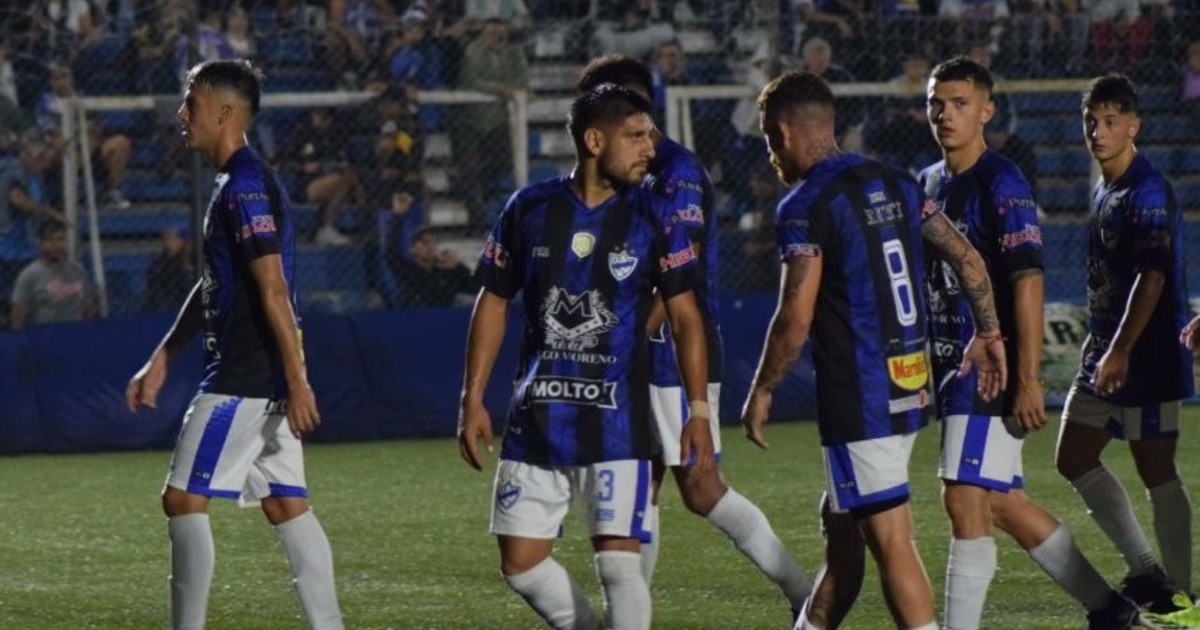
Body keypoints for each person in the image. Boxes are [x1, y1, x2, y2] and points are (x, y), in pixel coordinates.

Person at [740, 70, 1008, 630]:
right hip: (910, 381)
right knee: (843, 529)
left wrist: (763, 387)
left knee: (891, 539)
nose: (770, 154)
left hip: (861, 395)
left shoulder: (804, 204)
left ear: (784, 132)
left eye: (768, 140)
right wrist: (988, 334)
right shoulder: (899, 183)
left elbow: (794, 318)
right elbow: (967, 258)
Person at [456, 83, 715, 630]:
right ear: (595, 141)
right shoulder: (529, 208)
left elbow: (686, 317)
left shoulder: (657, 215)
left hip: (617, 422)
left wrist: (698, 410)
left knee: (619, 564)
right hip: (537, 416)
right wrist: (471, 397)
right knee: (520, 565)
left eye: (650, 135)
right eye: (636, 136)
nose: (650, 148)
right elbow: (493, 299)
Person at [576, 54, 813, 618]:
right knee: (642, 488)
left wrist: (623, 337)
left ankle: (805, 593)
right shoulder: (614, 170)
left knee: (702, 489)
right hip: (635, 352)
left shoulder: (675, 173)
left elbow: (676, 278)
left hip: (673, 355)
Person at [921, 56, 1141, 630]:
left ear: (986, 111)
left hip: (989, 368)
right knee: (1001, 503)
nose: (945, 114)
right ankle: (1110, 609)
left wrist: (1027, 377)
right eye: (936, 103)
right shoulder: (927, 183)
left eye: (960, 103)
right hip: (949, 366)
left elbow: (1027, 279)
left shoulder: (1002, 182)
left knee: (964, 499)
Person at [124, 60, 344, 630]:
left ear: (223, 113)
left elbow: (273, 288)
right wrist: (164, 355)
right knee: (286, 503)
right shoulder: (236, 182)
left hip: (245, 374)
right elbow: (214, 283)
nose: (181, 114)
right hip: (263, 372)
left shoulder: (244, 185)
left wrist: (297, 380)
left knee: (182, 499)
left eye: (191, 104)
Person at [1055, 73, 1194, 614]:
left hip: (1147, 354)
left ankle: (1182, 595)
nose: (1098, 131)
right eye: (1091, 121)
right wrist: (1102, 341)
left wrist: (1120, 349)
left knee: (1156, 470)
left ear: (1134, 126)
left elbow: (1152, 277)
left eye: (1111, 121)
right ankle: (1145, 570)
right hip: (1107, 348)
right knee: (1073, 456)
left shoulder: (1147, 190)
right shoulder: (1105, 185)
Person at [10, 220, 95, 329]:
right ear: (40, 243)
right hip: (44, 335)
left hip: (76, 334)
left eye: (61, 239)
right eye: (49, 240)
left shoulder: (78, 271)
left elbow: (88, 308)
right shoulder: (29, 276)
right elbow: (17, 319)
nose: (56, 245)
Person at [387, 227, 474, 307]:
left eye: (433, 241)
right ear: (412, 249)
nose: (429, 246)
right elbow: (391, 253)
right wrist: (396, 220)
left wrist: (458, 266)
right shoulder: (407, 270)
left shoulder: (446, 271)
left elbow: (473, 287)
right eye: (424, 242)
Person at [143, 223, 194, 313]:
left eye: (173, 237)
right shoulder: (161, 262)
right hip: (166, 303)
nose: (167, 241)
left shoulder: (194, 258)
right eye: (166, 238)